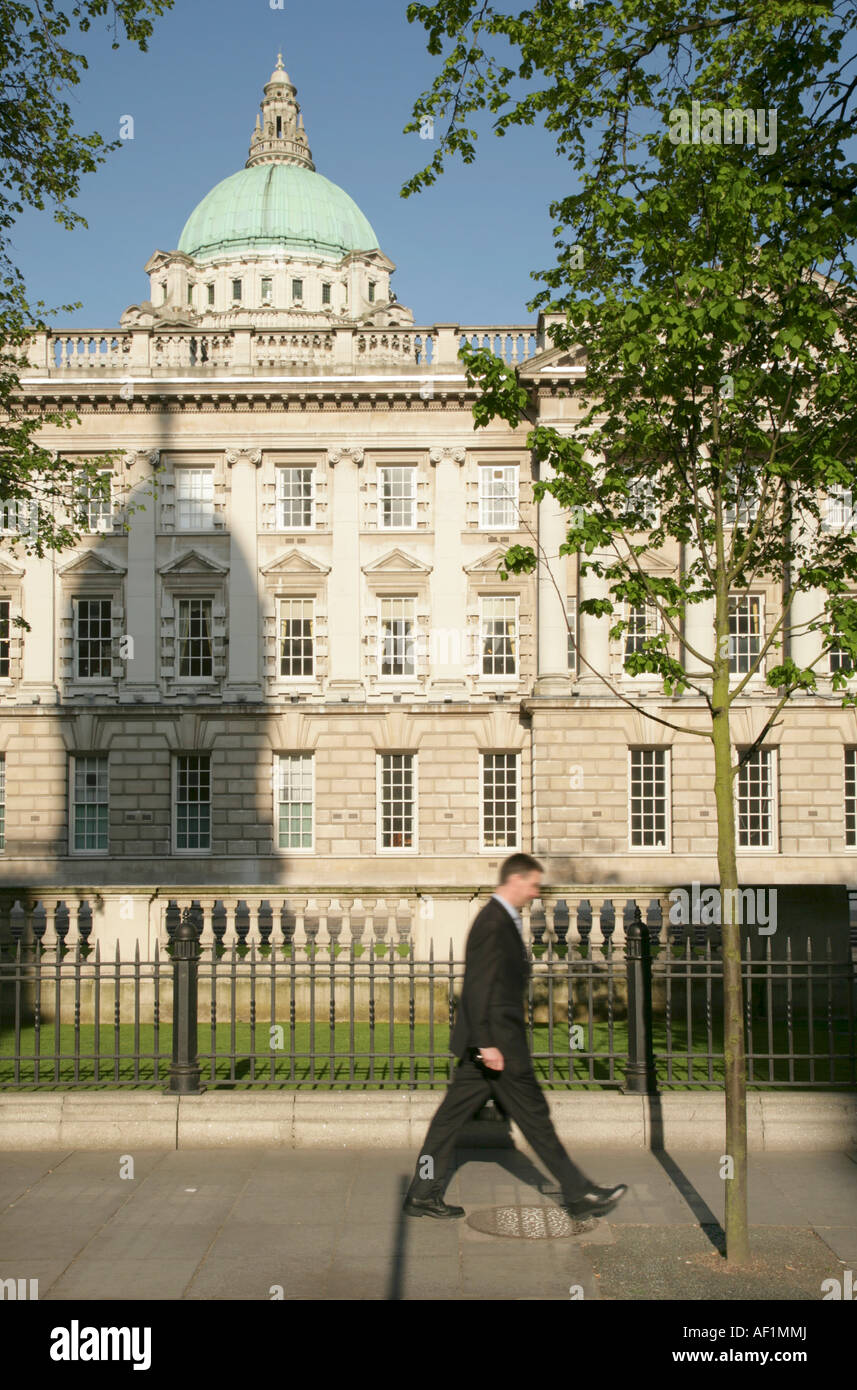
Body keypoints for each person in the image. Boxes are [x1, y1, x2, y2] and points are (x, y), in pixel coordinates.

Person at [403, 853, 628, 1220]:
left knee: (448, 1122)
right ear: (516, 880)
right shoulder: (493, 922)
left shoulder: (501, 920)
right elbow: (477, 988)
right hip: (498, 1046)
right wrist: (487, 1044)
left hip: (491, 1045)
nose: (535, 892)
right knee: (535, 1118)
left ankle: (422, 1193)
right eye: (533, 884)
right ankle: (579, 1193)